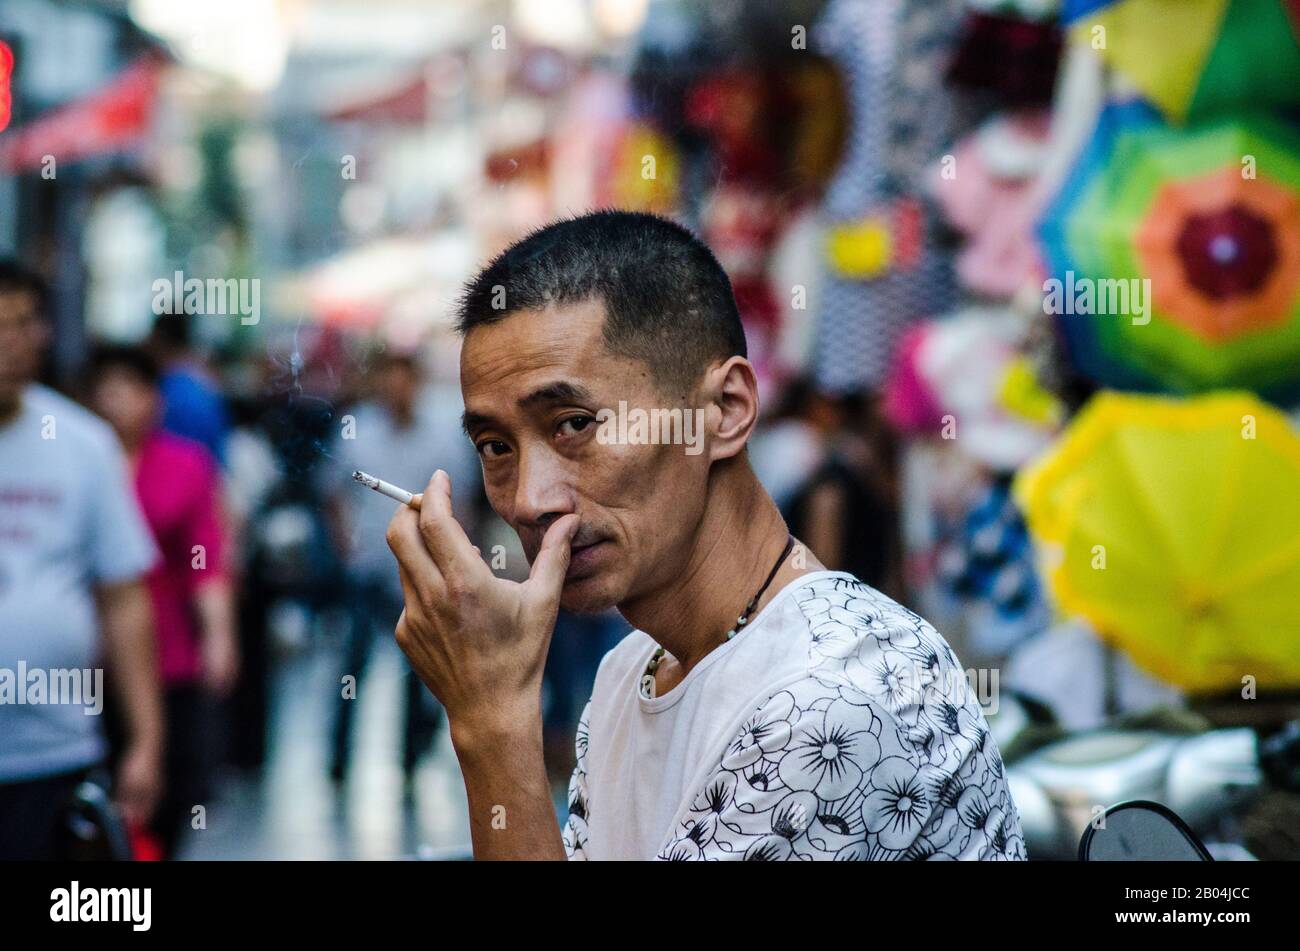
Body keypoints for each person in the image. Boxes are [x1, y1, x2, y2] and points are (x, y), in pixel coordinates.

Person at [384, 212, 1026, 860]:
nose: (529, 500)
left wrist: (491, 722)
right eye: (496, 446)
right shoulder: (630, 672)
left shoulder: (837, 693)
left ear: (724, 411)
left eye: (574, 424)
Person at [0, 262, 164, 859]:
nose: (10, 343)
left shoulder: (81, 443)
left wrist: (145, 739)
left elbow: (124, 599)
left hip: (57, 752)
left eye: (22, 324)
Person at [86, 344, 238, 858]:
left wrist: (218, 634)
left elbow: (206, 560)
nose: (114, 401)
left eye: (127, 388)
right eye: (104, 389)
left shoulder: (184, 465)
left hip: (168, 656)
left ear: (153, 399)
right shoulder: (81, 463)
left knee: (165, 790)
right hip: (86, 662)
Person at [328, 349, 478, 789]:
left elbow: (462, 499)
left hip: (419, 573)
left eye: (404, 378)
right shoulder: (358, 431)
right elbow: (333, 492)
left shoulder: (441, 436)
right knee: (352, 669)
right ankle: (338, 760)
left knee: (419, 669)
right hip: (367, 569)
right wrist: (345, 548)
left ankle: (410, 760)